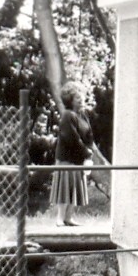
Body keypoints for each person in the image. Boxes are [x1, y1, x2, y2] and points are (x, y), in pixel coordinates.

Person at [50, 81, 107, 226]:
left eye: (82, 96)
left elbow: (88, 135)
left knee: (76, 188)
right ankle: (60, 218)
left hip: (79, 159)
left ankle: (69, 217)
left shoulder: (83, 115)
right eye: (77, 97)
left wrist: (90, 148)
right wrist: (85, 151)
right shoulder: (67, 115)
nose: (81, 99)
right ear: (70, 100)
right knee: (65, 188)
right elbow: (72, 138)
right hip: (67, 159)